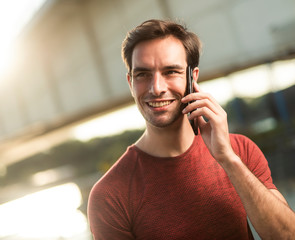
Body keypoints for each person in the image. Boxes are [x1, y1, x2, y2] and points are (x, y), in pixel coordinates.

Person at [87, 19, 295, 239]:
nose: (156, 88)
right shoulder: (109, 195)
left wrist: (229, 160)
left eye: (170, 72)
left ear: (192, 77)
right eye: (142, 74)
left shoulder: (240, 150)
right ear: (130, 83)